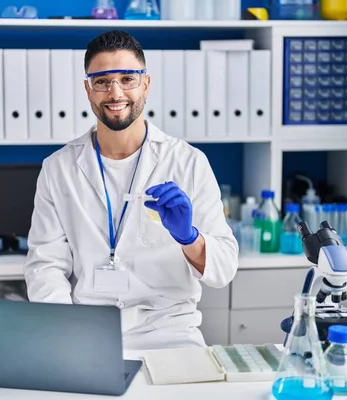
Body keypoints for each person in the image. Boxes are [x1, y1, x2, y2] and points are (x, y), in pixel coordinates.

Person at [24, 30, 239, 350]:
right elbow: (46, 266)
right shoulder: (59, 168)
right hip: (88, 333)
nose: (115, 92)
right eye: (102, 81)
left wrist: (189, 238)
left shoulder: (188, 162)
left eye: (128, 79)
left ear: (146, 85)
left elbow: (223, 269)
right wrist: (66, 333)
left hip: (170, 332)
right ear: (88, 89)